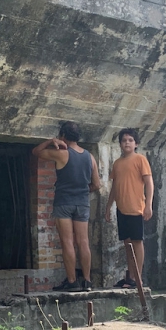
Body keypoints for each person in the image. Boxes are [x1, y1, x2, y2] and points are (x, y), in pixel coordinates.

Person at [32, 121, 101, 291]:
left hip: (64, 202)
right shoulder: (89, 156)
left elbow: (36, 152)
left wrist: (50, 141)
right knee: (83, 242)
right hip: (82, 203)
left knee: (67, 242)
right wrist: (83, 190)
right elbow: (97, 185)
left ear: (63, 135)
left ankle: (72, 281)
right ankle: (87, 281)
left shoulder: (62, 154)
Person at [105, 128, 154, 288]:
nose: (127, 142)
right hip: (122, 209)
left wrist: (149, 205)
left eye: (130, 140)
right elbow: (115, 187)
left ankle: (137, 278)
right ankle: (130, 277)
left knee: (137, 242)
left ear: (136, 143)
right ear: (120, 144)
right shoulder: (118, 163)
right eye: (124, 140)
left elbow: (149, 183)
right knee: (127, 244)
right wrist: (108, 207)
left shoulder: (140, 159)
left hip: (136, 208)